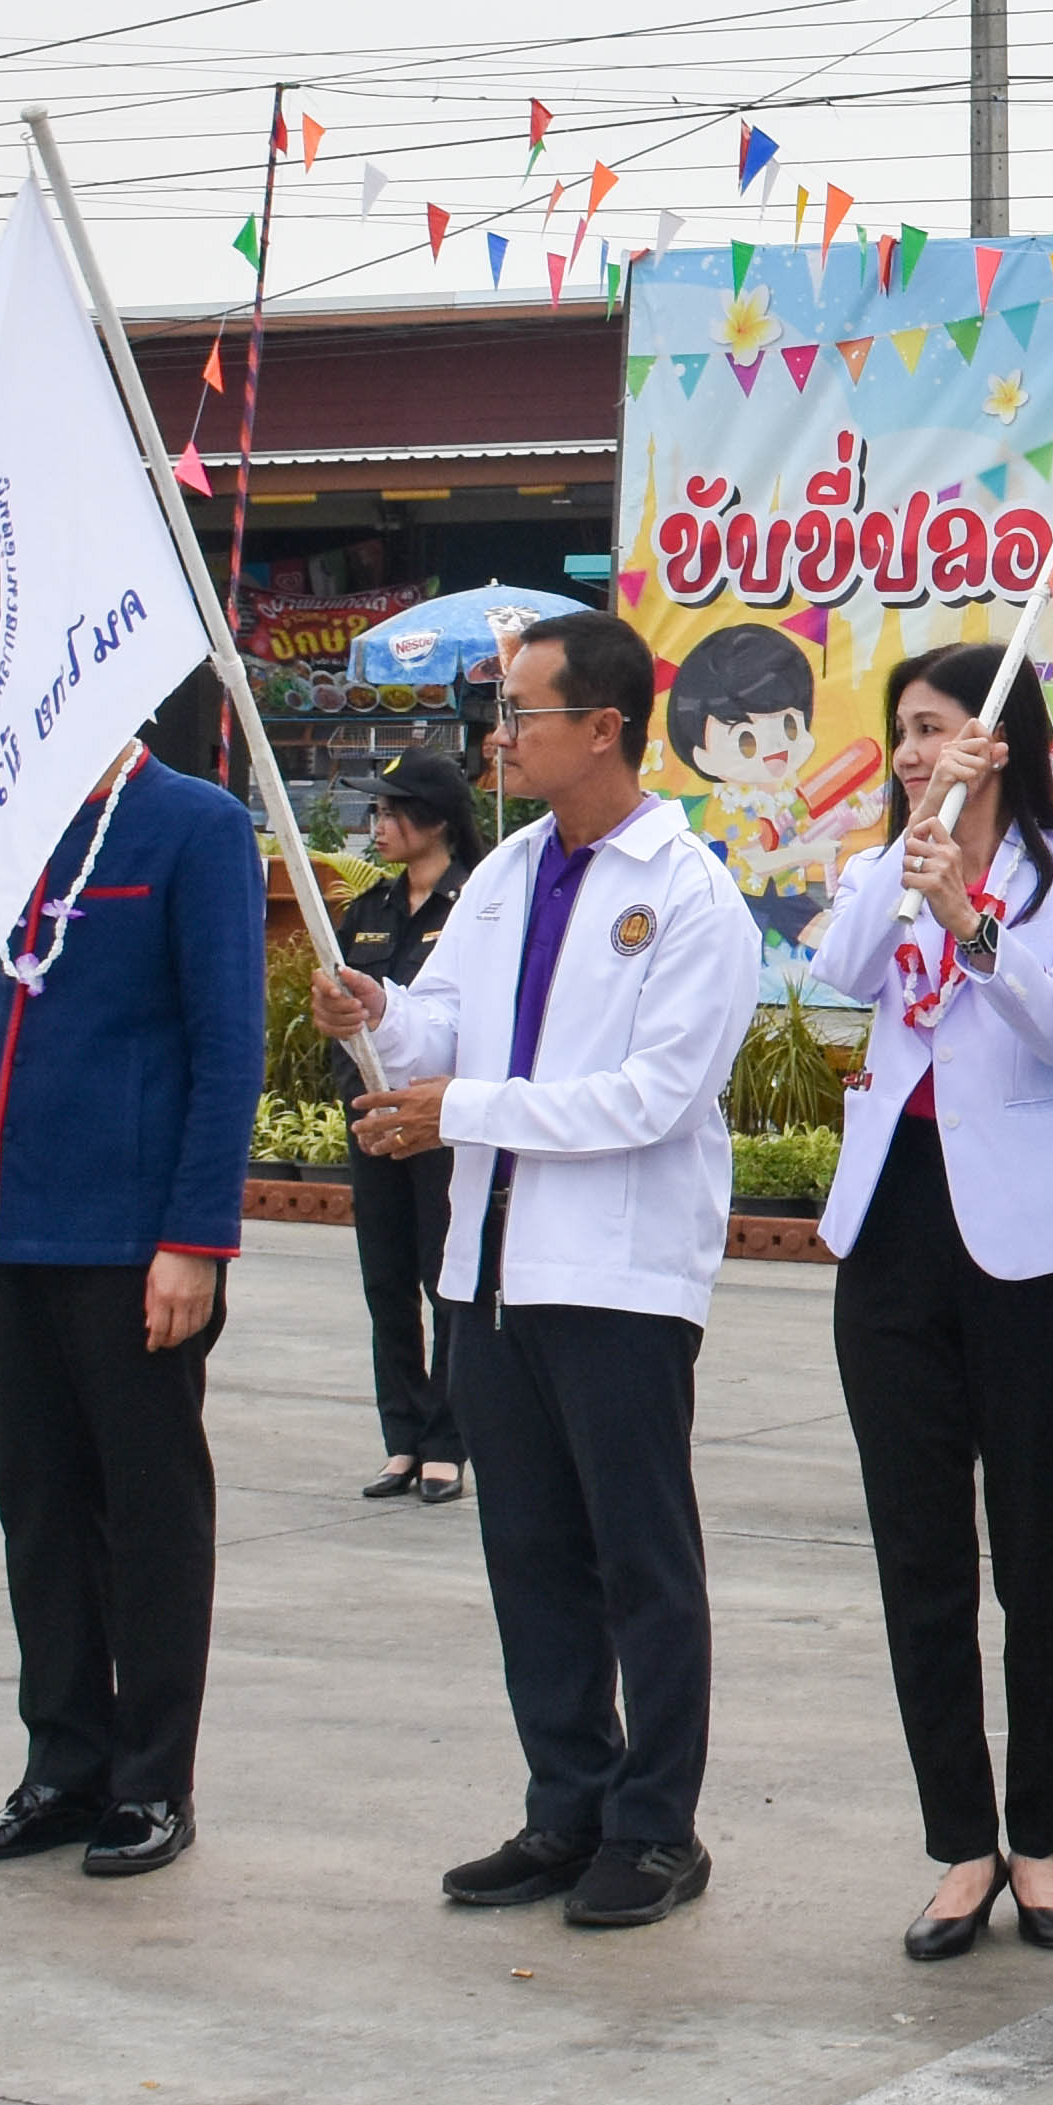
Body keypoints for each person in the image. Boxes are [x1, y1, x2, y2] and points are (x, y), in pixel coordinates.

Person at [320, 609, 755, 1934]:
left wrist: (459, 1109)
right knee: (529, 1557)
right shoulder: (510, 870)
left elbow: (652, 1097)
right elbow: (446, 1025)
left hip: (616, 1279)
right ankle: (567, 1801)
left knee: (640, 1561)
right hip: (490, 1269)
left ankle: (656, 1823)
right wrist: (381, 1014)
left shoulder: (691, 895)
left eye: (520, 713)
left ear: (603, 727)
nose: (499, 738)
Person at [0, 735, 262, 1879]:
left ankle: (152, 1780)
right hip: (5, 1226)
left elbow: (229, 1044)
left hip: (129, 1239)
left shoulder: (194, 825)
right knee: (39, 1508)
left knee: (149, 1512)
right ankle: (63, 1764)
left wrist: (195, 1239)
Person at [805, 644, 1053, 1964]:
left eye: (933, 728)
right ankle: (959, 1843)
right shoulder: (884, 864)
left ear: (996, 742)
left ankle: (1038, 1836)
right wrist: (910, 867)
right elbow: (841, 974)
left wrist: (971, 923)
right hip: (896, 1227)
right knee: (920, 1554)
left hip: (1036, 1250)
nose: (909, 752)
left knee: (1037, 1556)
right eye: (901, 730)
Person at [334, 750, 475, 1505]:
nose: (379, 825)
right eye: (376, 811)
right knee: (385, 1280)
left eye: (392, 811)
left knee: (443, 1275)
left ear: (437, 819)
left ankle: (448, 1442)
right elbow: (341, 1008)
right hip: (373, 1116)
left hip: (442, 1120)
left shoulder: (475, 903)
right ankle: (402, 1435)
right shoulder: (368, 909)